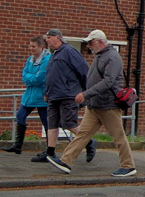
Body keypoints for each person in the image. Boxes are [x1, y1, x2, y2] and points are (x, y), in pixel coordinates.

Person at [47, 30, 136, 176]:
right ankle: (66, 161)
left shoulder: (112, 57)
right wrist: (87, 98)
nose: (89, 46)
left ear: (100, 41)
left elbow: (108, 82)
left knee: (118, 136)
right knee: (82, 134)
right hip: (94, 105)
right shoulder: (99, 56)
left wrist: (85, 94)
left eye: (91, 42)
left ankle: (128, 166)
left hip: (108, 105)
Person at [40, 29, 96, 163]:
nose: (47, 40)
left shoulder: (69, 51)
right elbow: (51, 75)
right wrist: (47, 92)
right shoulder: (54, 54)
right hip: (54, 95)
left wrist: (84, 91)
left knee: (68, 123)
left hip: (68, 94)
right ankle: (50, 153)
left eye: (49, 37)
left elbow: (83, 71)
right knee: (52, 124)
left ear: (58, 37)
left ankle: (89, 142)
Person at [2, 37, 50, 155]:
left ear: (41, 47)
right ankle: (18, 146)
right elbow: (25, 76)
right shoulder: (30, 59)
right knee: (20, 116)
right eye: (30, 46)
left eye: (33, 46)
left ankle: (49, 149)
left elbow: (40, 78)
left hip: (42, 97)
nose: (31, 49)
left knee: (46, 123)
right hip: (29, 95)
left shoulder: (47, 60)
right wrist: (31, 77)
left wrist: (30, 77)